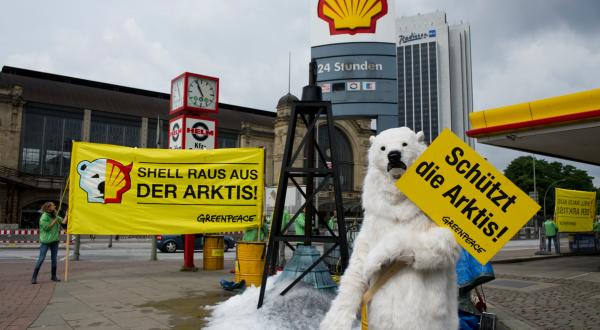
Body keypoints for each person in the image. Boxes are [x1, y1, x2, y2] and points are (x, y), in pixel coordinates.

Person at [32, 202, 68, 284]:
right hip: (45, 241)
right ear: (48, 208)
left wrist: (66, 215)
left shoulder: (54, 215)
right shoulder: (44, 216)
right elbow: (47, 228)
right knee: (41, 258)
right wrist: (55, 220)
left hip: (54, 240)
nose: (55, 206)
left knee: (54, 259)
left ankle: (53, 276)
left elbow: (63, 222)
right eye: (53, 205)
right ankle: (34, 277)